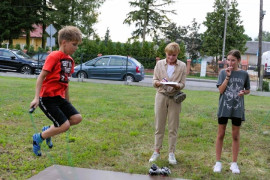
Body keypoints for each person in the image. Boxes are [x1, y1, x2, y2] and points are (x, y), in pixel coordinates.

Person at [30, 26, 82, 156]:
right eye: (74, 44)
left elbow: (66, 82)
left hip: (59, 98)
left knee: (76, 118)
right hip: (47, 98)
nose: (76, 48)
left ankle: (49, 130)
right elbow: (41, 76)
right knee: (64, 126)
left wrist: (67, 101)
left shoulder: (70, 61)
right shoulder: (54, 56)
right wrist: (36, 98)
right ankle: (39, 137)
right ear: (64, 42)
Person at [213, 50, 250, 173]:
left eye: (233, 60)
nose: (230, 62)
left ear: (238, 61)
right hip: (224, 107)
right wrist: (228, 76)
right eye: (228, 59)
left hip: (237, 108)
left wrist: (243, 92)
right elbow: (221, 90)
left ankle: (234, 163)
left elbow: (248, 90)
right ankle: (218, 162)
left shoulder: (244, 74)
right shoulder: (223, 73)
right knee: (221, 134)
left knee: (235, 135)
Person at [149, 42, 186, 165]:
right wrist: (159, 83)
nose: (171, 58)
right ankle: (156, 151)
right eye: (169, 55)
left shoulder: (182, 66)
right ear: (166, 53)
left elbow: (182, 83)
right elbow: (154, 81)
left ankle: (171, 153)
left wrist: (177, 85)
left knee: (173, 127)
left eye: (174, 55)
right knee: (159, 125)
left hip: (175, 98)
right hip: (161, 96)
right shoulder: (159, 64)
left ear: (177, 54)